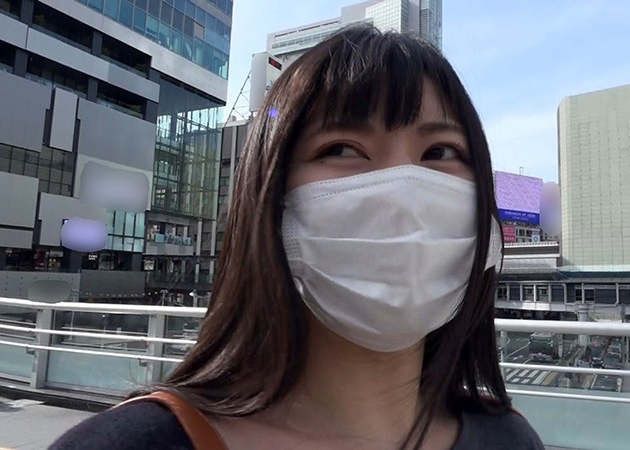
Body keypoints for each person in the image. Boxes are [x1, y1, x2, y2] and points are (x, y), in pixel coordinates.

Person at [51, 25, 544, 450]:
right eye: (342, 148)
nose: (402, 192)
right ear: (270, 197)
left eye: (440, 152)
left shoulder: (509, 439)